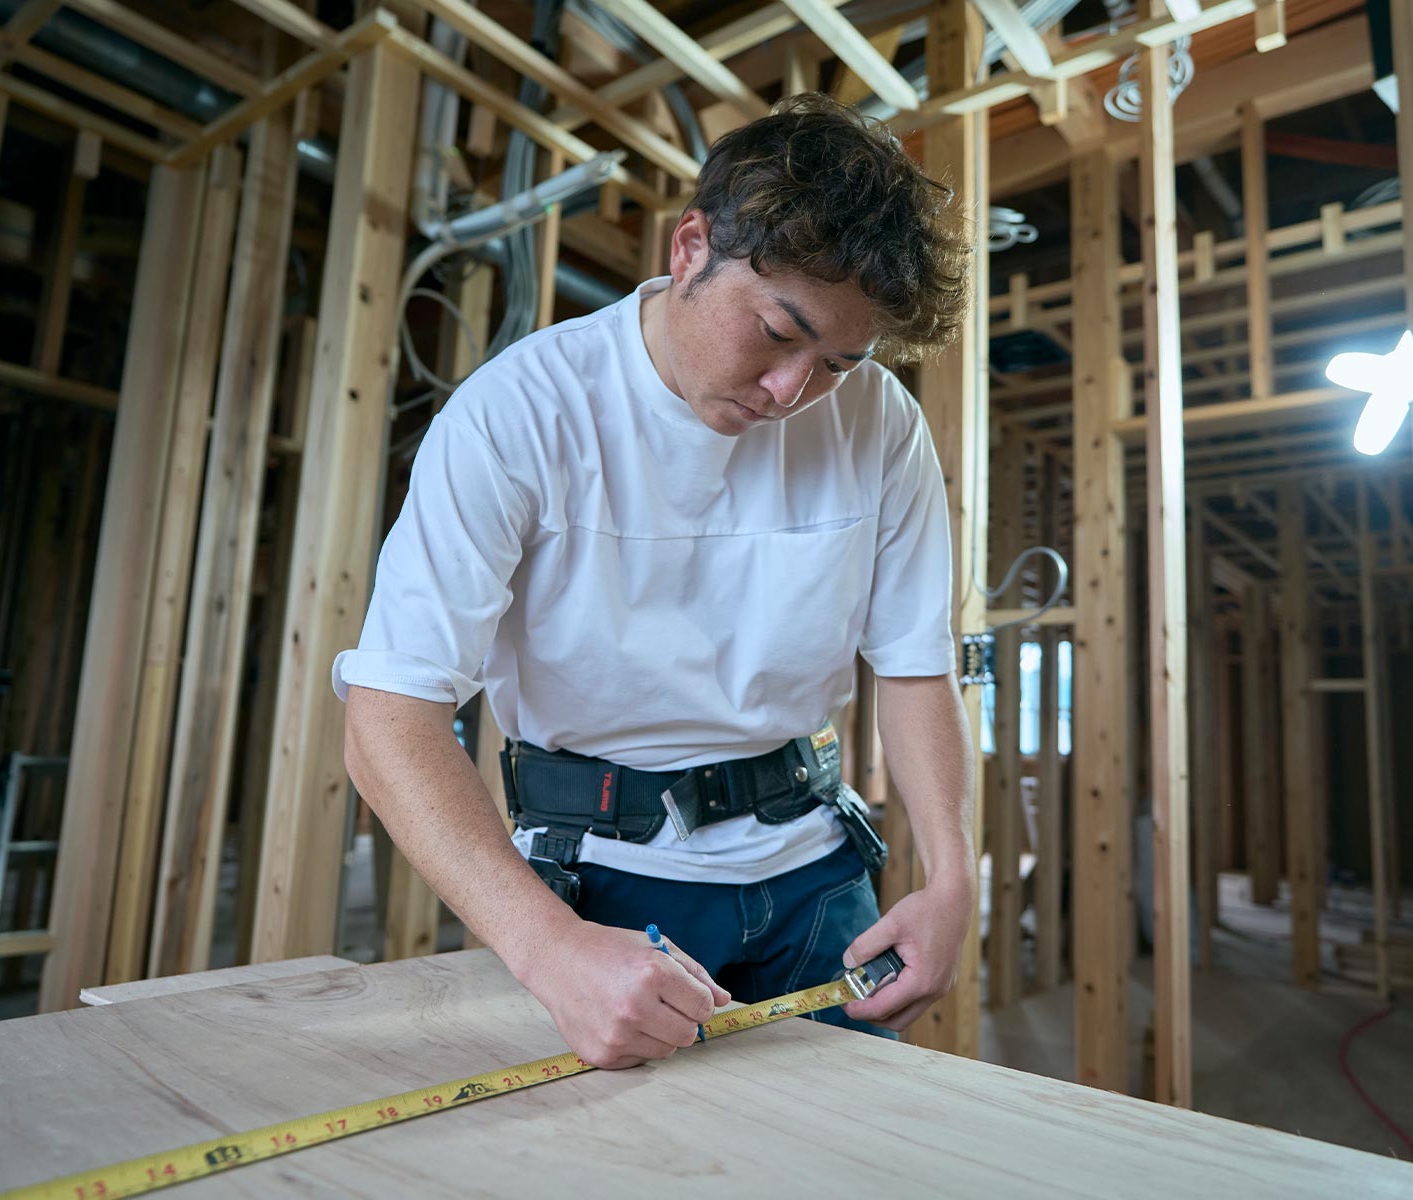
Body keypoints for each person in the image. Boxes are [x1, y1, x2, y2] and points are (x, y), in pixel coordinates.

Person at [337, 94, 976, 1070]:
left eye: (836, 364)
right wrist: (550, 948)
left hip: (819, 881)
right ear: (690, 249)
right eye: (778, 331)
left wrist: (954, 879)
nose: (790, 392)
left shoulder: (881, 422)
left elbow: (915, 666)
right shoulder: (519, 415)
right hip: (602, 891)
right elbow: (389, 718)